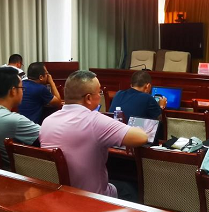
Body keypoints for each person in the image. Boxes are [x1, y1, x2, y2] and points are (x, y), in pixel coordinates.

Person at [40, 70, 148, 199]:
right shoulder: (94, 121)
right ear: (88, 98)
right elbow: (141, 137)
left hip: (59, 196)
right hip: (93, 200)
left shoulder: (47, 122)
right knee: (134, 188)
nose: (99, 95)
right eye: (99, 92)